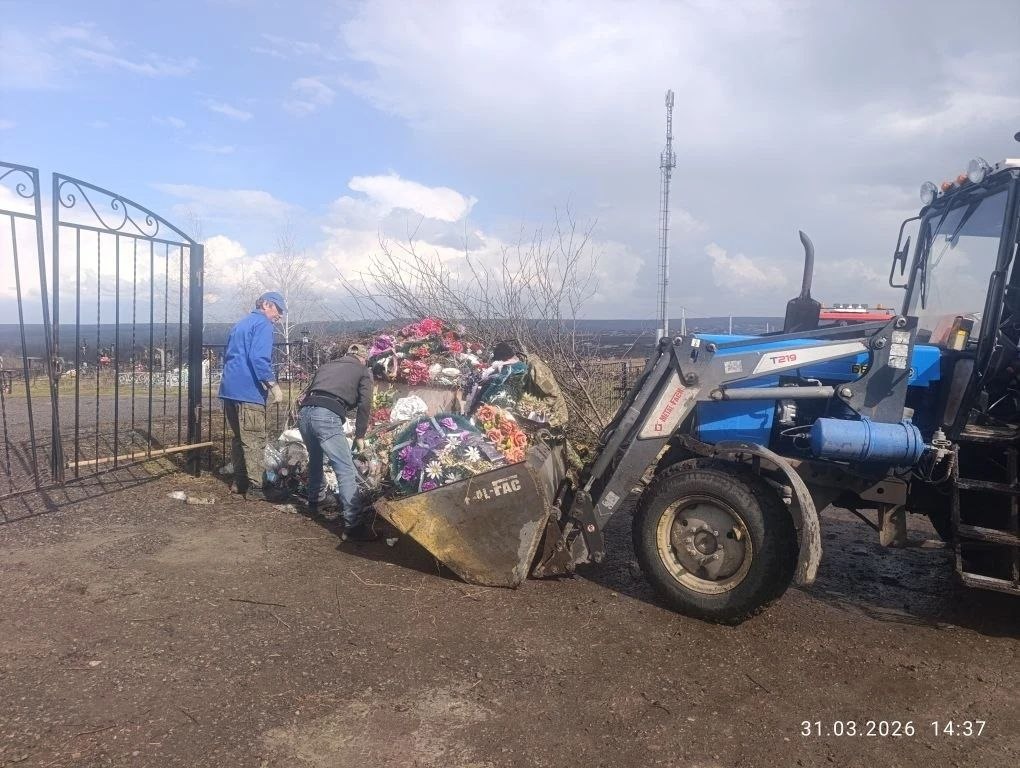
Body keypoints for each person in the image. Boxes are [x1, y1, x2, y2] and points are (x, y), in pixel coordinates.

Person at [297, 342, 376, 541]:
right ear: (363, 358)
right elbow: (365, 404)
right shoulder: (362, 371)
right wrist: (359, 435)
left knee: (315, 458)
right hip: (327, 416)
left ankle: (316, 501)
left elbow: (306, 393)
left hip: (305, 413)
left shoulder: (326, 366)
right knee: (345, 468)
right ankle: (353, 525)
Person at [219, 291, 286, 502]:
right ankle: (258, 487)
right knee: (255, 439)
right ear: (266, 305)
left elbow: (230, 355)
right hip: (249, 391)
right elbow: (259, 358)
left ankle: (240, 482)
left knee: (239, 439)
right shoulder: (263, 325)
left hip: (229, 390)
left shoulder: (241, 324)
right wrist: (273, 385)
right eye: (278, 309)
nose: (280, 316)